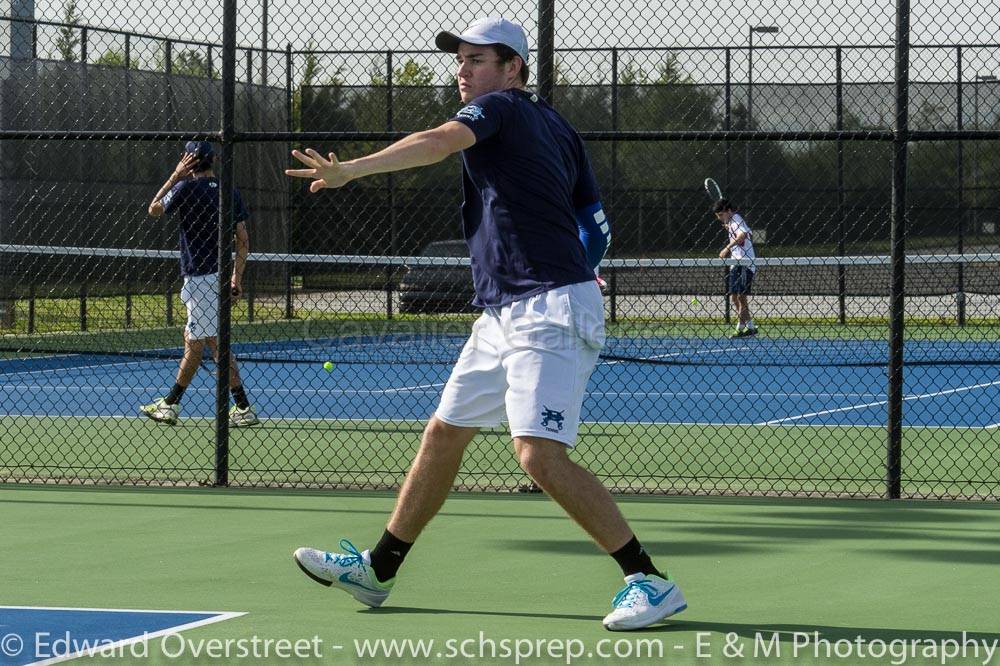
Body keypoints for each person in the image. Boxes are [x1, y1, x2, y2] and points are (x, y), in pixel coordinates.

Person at [286, 17, 686, 631]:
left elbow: (438, 141)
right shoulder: (559, 128)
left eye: (476, 60)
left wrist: (350, 171)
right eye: (460, 60)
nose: (462, 71)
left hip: (546, 306)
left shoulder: (500, 108)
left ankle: (648, 580)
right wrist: (579, 269)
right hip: (507, 309)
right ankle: (380, 567)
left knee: (537, 454)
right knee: (445, 433)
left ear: (513, 69)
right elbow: (597, 225)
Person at [142, 141, 260, 427]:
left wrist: (175, 175)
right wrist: (235, 278)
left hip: (200, 279)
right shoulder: (229, 191)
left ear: (189, 162)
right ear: (212, 161)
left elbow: (153, 208)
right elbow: (243, 240)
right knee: (203, 342)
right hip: (215, 279)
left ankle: (175, 404)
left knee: (204, 345)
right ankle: (236, 405)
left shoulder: (184, 189)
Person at [715, 198, 758, 338]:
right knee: (734, 297)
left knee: (741, 296)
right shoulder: (731, 222)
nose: (720, 218)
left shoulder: (737, 218)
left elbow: (742, 235)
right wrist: (730, 228)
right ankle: (750, 327)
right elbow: (737, 233)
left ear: (728, 211)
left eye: (721, 214)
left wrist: (726, 248)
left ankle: (740, 327)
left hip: (745, 263)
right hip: (735, 263)